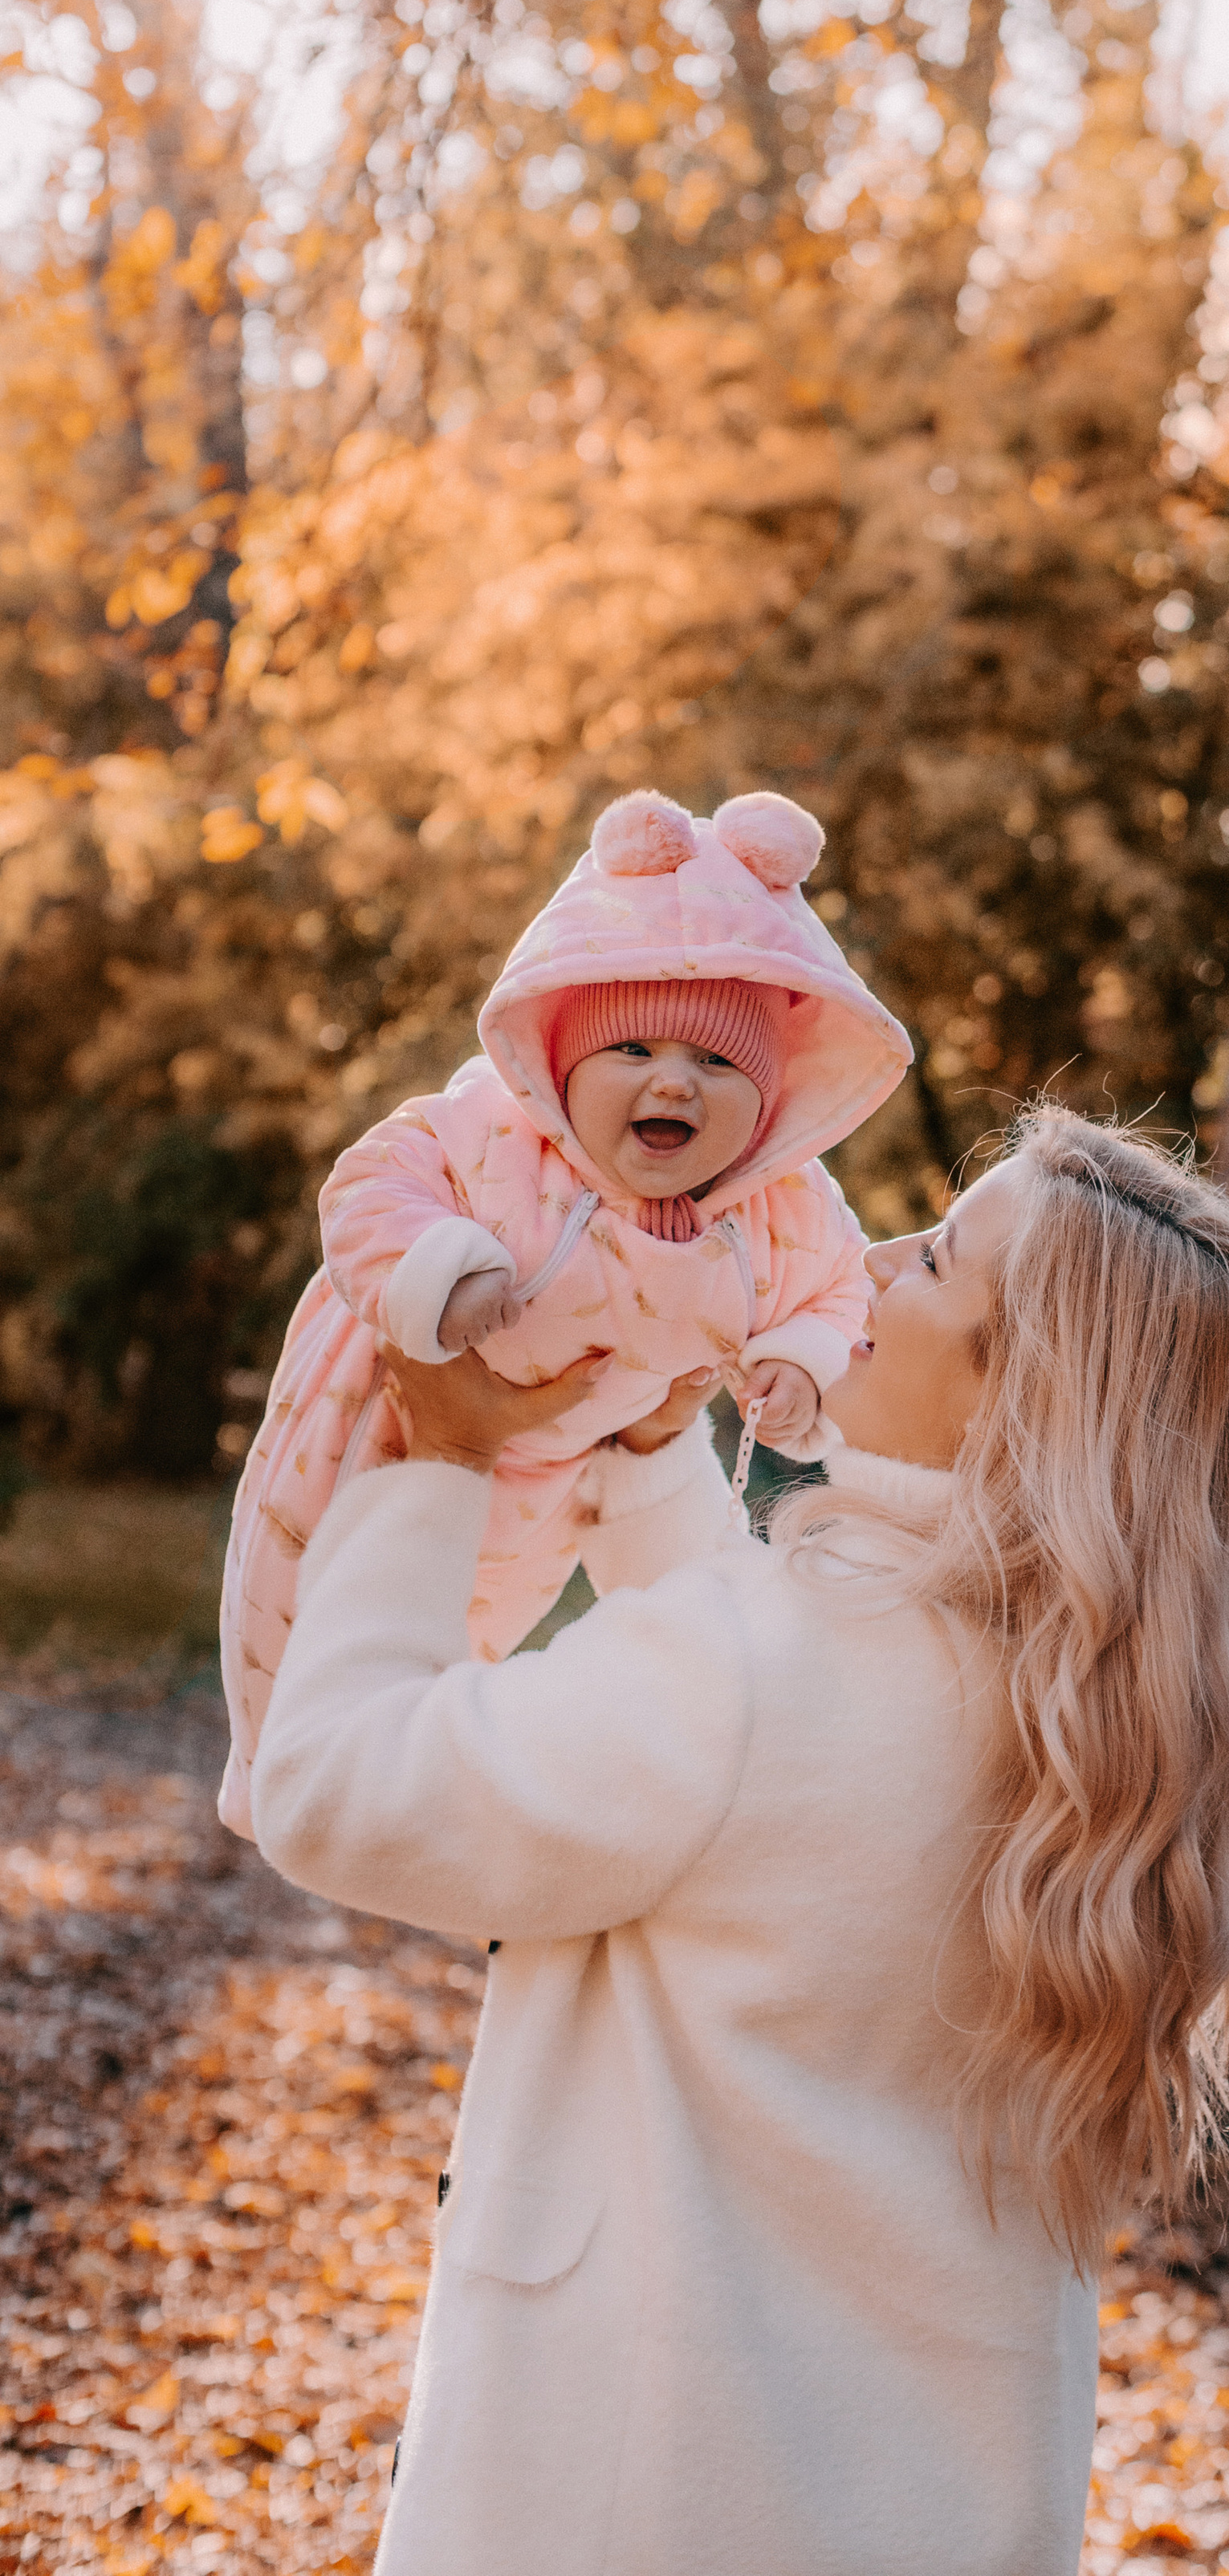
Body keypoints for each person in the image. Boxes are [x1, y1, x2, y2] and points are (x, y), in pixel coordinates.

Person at [250, 1106, 1229, 2576]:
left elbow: (335, 1785)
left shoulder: (761, 1671)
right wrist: (651, 1454)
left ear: (1016, 1398)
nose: (874, 1260)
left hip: (636, 2506)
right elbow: (755, 1795)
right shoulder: (1106, 1747)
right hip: (929, 2513)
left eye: (937, 1261)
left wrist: (433, 1465)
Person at [215, 785, 910, 1837]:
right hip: (378, 1424)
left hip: (550, 1488)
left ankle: (383, 1806)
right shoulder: (497, 1136)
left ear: (770, 1102)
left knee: (462, 1644)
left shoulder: (781, 1208)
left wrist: (802, 1363)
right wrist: (438, 1271)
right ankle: (272, 1776)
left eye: (718, 1061)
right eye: (632, 1051)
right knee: (302, 1605)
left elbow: (842, 1287)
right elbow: (371, 1183)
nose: (673, 1083)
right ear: (564, 1068)